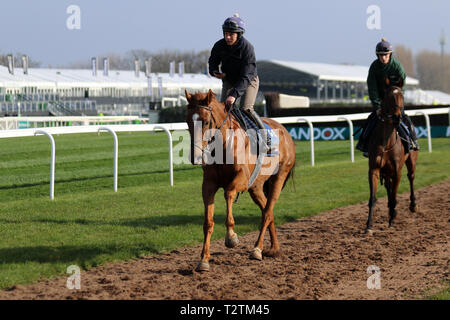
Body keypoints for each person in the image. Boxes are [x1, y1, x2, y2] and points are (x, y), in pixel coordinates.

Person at [208, 14, 269, 153]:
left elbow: (246, 76)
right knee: (223, 111)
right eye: (226, 34)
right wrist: (214, 71)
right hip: (230, 80)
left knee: (245, 108)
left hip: (248, 80)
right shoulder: (219, 45)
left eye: (231, 35)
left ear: (239, 34)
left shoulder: (247, 48)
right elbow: (212, 62)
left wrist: (234, 94)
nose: (228, 37)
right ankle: (221, 143)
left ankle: (266, 138)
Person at [356, 38, 419, 157]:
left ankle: (412, 141)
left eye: (385, 55)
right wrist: (377, 106)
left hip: (395, 99)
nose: (383, 58)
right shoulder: (374, 67)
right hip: (381, 100)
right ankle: (364, 144)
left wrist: (398, 97)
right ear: (377, 56)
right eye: (380, 55)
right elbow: (372, 88)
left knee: (403, 117)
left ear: (390, 54)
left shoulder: (396, 66)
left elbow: (402, 83)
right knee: (372, 118)